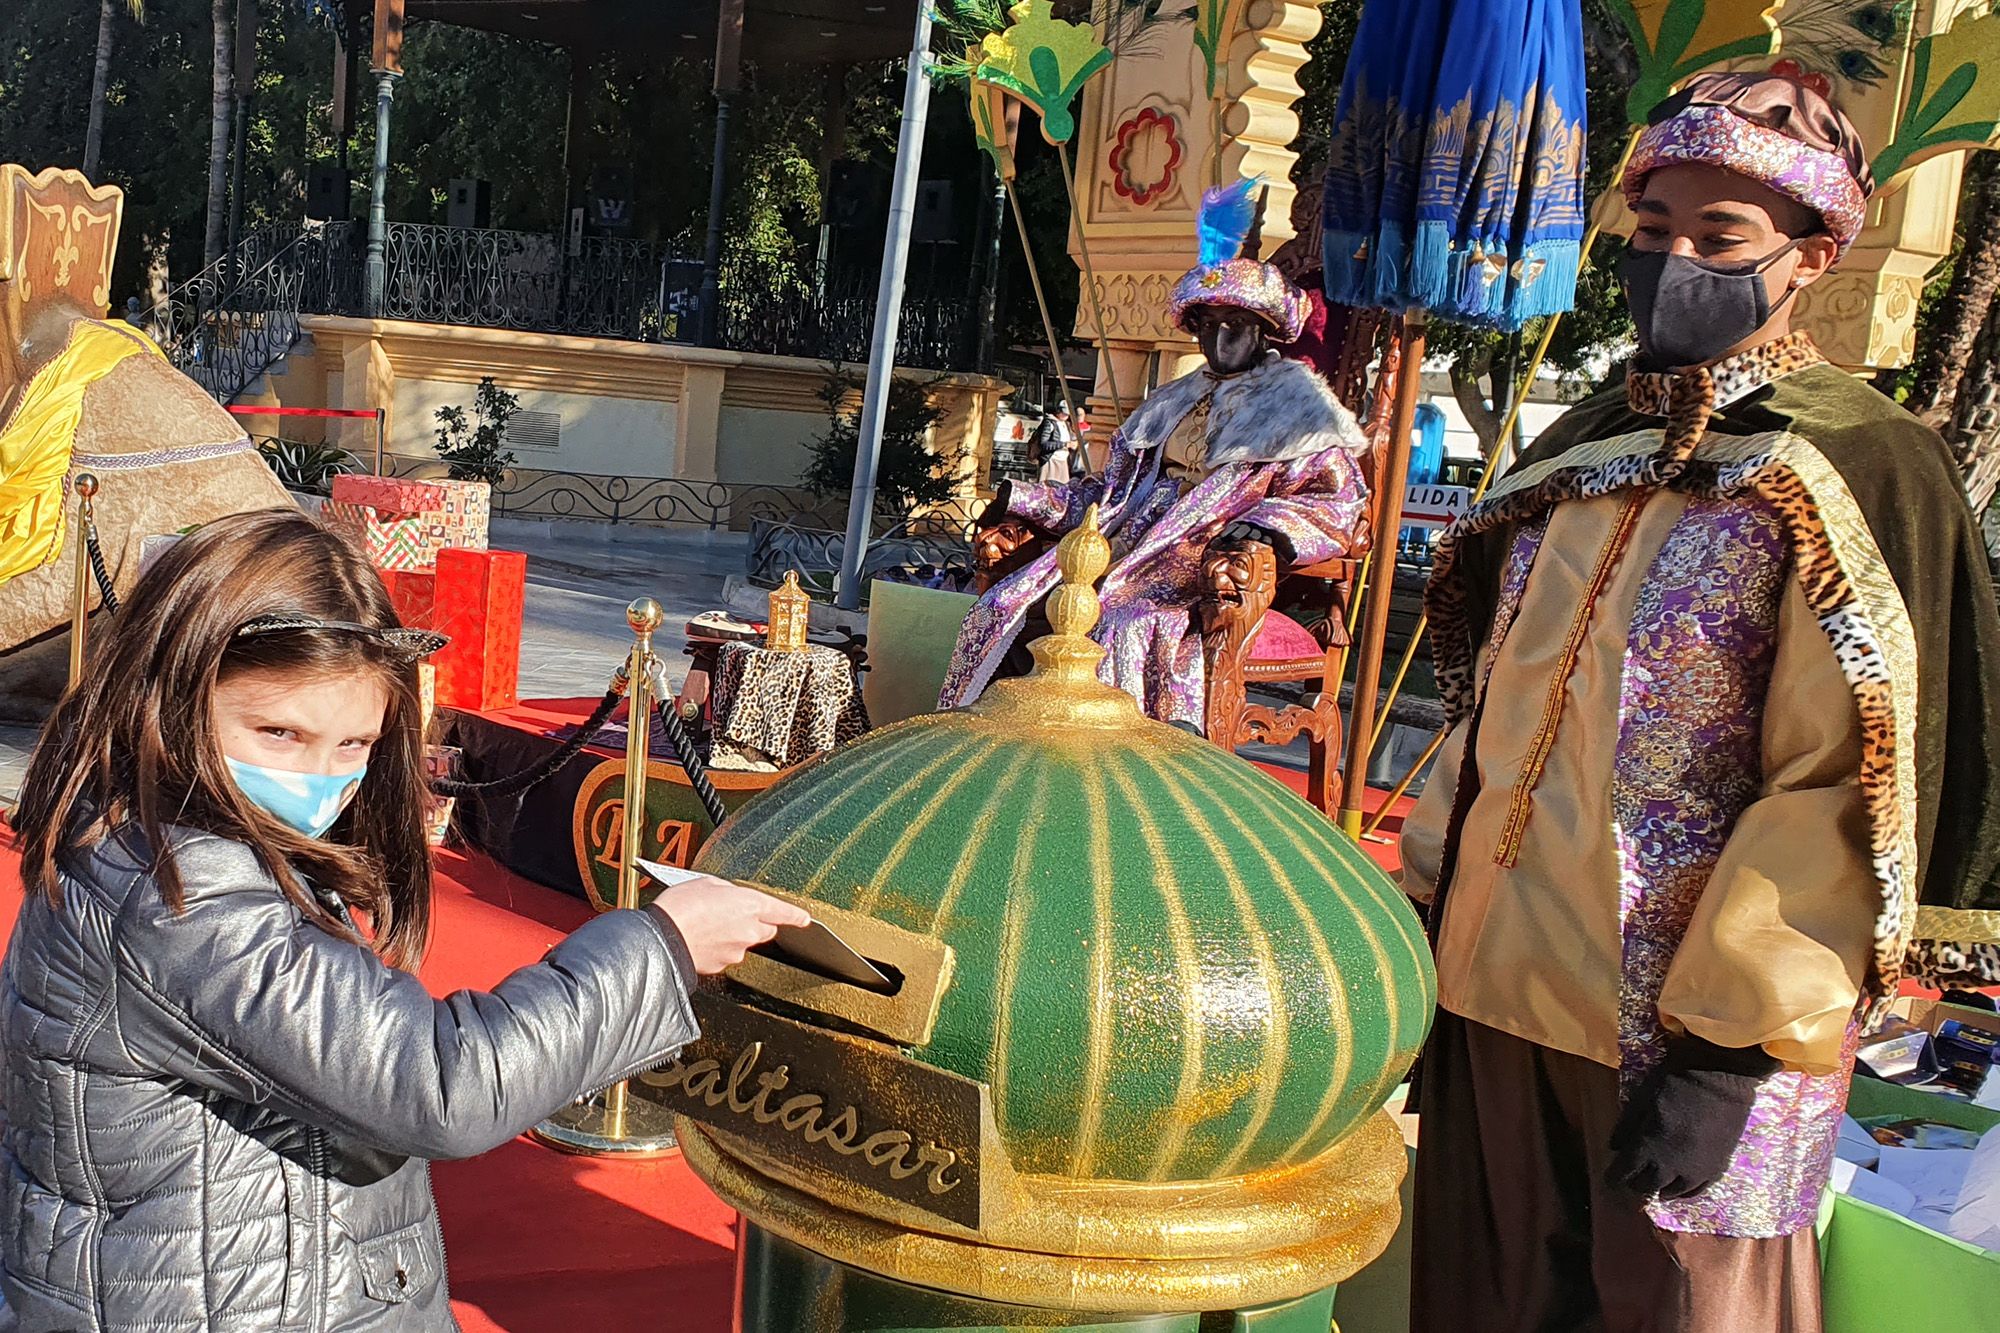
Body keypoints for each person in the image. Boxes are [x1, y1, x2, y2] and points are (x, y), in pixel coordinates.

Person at [1400, 72, 2000, 1332]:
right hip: (1491, 981)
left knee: (1680, 1309)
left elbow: (1841, 787)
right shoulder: (1586, 444)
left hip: (1693, 1025)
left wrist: (1733, 1045)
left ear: (1809, 255)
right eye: (1653, 229)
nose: (1672, 260)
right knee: (1488, 1297)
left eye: (1717, 238)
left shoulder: (1849, 458)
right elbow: (1489, 715)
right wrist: (1419, 916)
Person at [1, 508, 809, 1330]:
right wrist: (665, 945)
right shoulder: (178, 888)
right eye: (277, 731)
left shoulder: (157, 837)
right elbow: (437, 1083)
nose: (321, 776)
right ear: (172, 698)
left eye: (355, 743)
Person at [941, 178, 1371, 728]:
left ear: (1265, 334)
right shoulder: (1171, 400)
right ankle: (1000, 744)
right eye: (1209, 326)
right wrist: (1023, 496)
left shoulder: (1300, 409)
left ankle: (1119, 773)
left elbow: (1337, 502)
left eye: (1235, 326)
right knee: (1006, 602)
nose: (1220, 340)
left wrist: (1270, 525)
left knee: (1118, 622)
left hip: (1201, 565)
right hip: (1120, 543)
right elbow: (1104, 492)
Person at [1034, 403, 1077, 485]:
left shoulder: (1066, 424)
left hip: (1063, 461)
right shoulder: (1049, 423)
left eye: (1068, 414)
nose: (1066, 416)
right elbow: (1044, 444)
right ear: (1058, 411)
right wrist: (1064, 445)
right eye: (1064, 413)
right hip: (1051, 460)